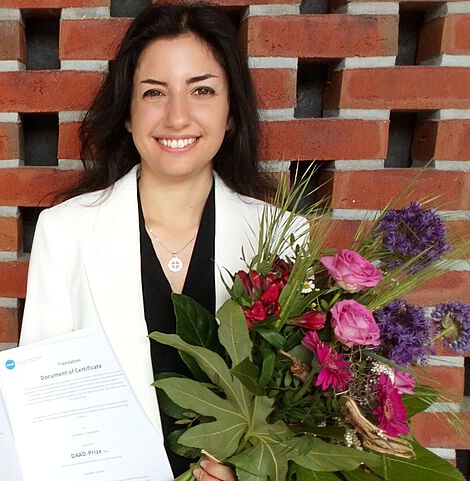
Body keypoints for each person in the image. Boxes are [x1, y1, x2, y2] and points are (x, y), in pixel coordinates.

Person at [18, 2, 307, 480]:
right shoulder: (65, 229)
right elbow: (43, 406)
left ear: (231, 111)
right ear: (128, 114)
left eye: (202, 90)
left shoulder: (284, 237)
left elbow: (304, 411)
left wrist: (250, 471)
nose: (177, 117)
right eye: (154, 92)